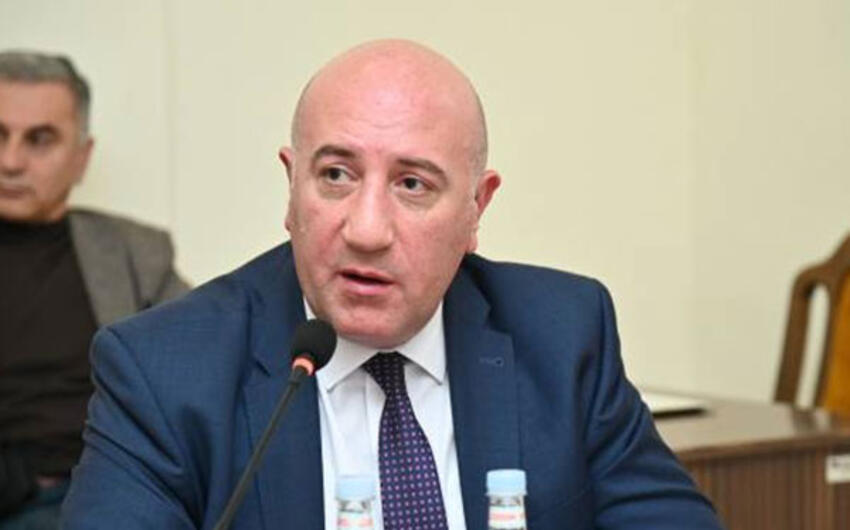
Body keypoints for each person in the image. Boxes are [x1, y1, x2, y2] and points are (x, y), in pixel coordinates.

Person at [62, 40, 724, 529]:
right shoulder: (163, 370)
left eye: (413, 184)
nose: (367, 230)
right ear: (292, 188)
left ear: (476, 209)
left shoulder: (563, 335)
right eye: (336, 176)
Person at [0, 51, 189, 528]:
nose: (10, 161)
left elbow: (211, 358)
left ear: (81, 158)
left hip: (124, 486)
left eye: (39, 139)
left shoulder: (134, 253)